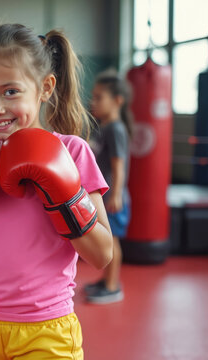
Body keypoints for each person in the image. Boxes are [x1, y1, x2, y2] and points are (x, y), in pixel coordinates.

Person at [0, 24, 114, 359]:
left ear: (45, 87)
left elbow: (101, 255)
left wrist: (62, 196)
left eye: (10, 91)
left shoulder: (72, 152)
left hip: (46, 329)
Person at [85, 70, 132, 304]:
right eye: (93, 96)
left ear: (117, 101)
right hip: (105, 197)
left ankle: (113, 287)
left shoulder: (116, 129)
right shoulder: (104, 127)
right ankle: (106, 281)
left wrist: (116, 194)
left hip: (114, 198)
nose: (94, 102)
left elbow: (118, 165)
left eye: (99, 97)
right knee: (107, 239)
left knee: (111, 242)